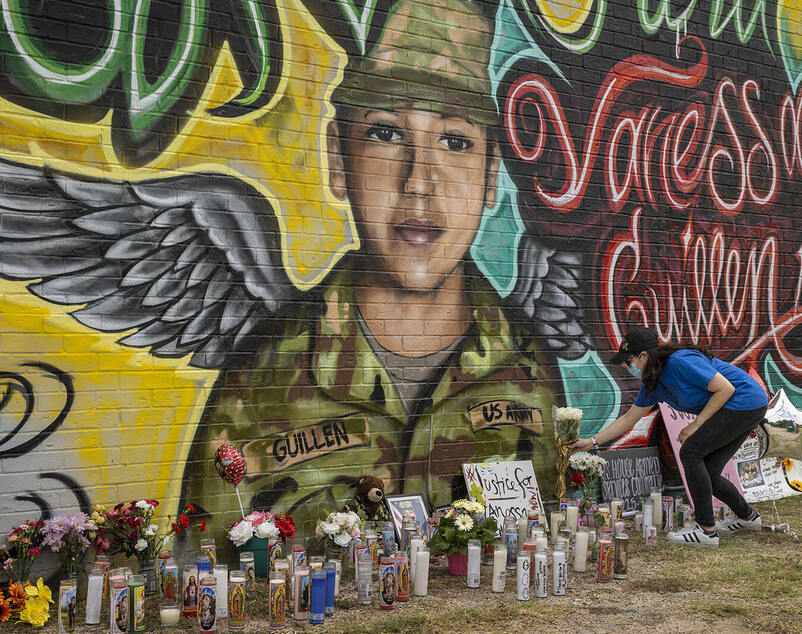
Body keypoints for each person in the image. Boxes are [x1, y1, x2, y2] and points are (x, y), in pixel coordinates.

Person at [183, 0, 559, 520]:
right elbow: (213, 557)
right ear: (339, 159)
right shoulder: (263, 378)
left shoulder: (528, 367)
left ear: (491, 174)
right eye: (386, 133)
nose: (419, 182)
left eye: (455, 141)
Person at [572, 326, 768, 546]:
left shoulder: (679, 362)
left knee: (691, 453)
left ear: (643, 356)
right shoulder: (653, 383)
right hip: (744, 405)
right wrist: (591, 442)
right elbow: (628, 420)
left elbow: (725, 389)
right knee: (709, 472)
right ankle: (748, 517)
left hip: (745, 401)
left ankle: (706, 531)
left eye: (629, 361)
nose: (629, 367)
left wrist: (695, 425)